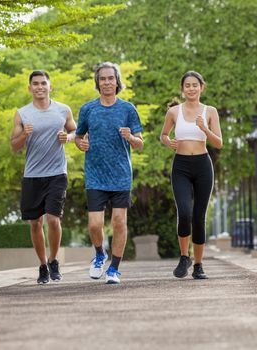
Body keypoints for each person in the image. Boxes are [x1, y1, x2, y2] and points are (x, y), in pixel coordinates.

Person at [75, 62, 144, 284]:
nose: (106, 82)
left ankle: (114, 269)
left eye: (110, 78)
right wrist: (80, 144)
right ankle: (99, 255)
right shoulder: (88, 109)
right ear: (98, 82)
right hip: (95, 174)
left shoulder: (128, 109)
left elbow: (140, 143)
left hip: (121, 175)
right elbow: (78, 136)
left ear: (117, 82)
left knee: (119, 222)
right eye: (102, 79)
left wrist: (131, 138)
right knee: (95, 224)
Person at [10, 70, 76, 284]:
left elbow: (78, 133)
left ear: (50, 86)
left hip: (57, 173)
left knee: (53, 219)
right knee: (35, 223)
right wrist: (24, 135)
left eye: (43, 83)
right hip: (32, 175)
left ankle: (54, 259)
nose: (39, 87)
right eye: (35, 84)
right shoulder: (22, 114)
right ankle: (42, 266)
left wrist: (69, 137)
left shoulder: (63, 110)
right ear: (29, 88)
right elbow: (14, 147)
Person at [160, 71, 222, 279]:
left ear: (202, 87)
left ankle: (198, 265)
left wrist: (204, 128)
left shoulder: (210, 111)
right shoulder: (174, 112)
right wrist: (168, 142)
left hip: (203, 165)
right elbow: (163, 135)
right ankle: (184, 256)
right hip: (181, 166)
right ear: (182, 88)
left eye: (195, 85)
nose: (191, 88)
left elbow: (219, 143)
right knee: (184, 212)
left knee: (199, 216)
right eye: (187, 85)